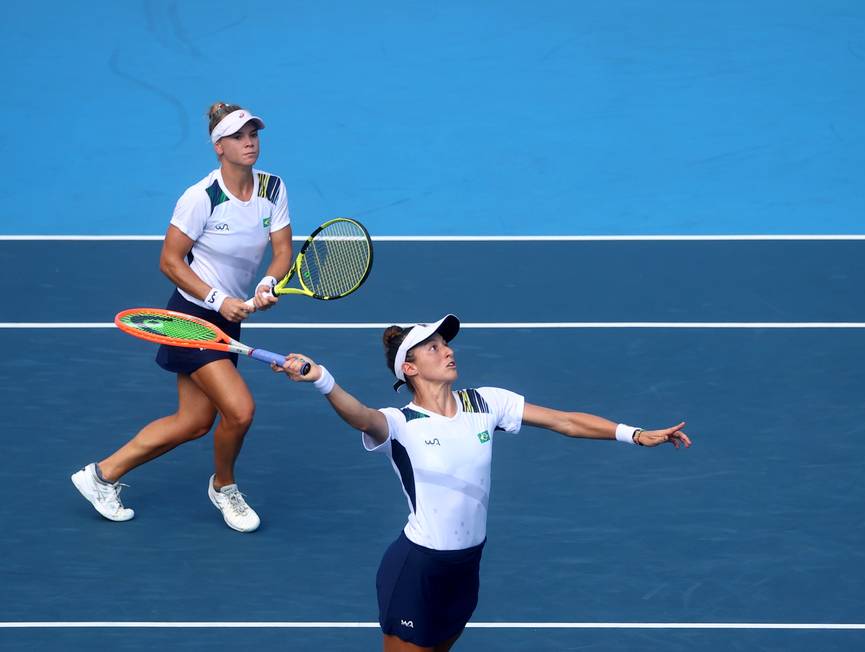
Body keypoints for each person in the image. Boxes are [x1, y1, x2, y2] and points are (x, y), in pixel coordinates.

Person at [277, 314, 691, 651]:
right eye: (434, 348)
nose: (448, 351)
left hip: (466, 565)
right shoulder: (400, 423)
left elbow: (564, 420)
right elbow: (360, 415)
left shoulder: (486, 402)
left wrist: (634, 433)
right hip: (417, 568)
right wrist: (322, 380)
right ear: (410, 368)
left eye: (446, 343)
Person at [71, 102, 294, 533]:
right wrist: (216, 298)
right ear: (219, 147)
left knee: (193, 422)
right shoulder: (201, 197)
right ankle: (224, 488)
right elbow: (170, 262)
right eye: (237, 136)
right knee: (241, 411)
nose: (249, 142)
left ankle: (100, 476)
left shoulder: (274, 187)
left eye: (253, 134)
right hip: (193, 316)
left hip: (230, 316)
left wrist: (266, 284)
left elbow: (282, 251)